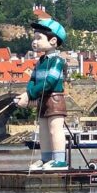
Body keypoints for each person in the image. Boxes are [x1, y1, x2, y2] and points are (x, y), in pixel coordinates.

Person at [14, 18, 68, 171]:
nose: (34, 42)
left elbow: (49, 82)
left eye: (39, 38)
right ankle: (46, 159)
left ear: (53, 41)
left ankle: (59, 160)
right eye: (34, 38)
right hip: (43, 100)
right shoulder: (40, 62)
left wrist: (30, 94)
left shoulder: (57, 61)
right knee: (43, 131)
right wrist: (27, 94)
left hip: (55, 99)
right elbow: (33, 79)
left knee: (54, 129)